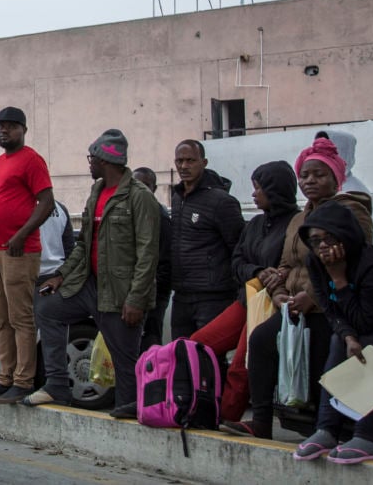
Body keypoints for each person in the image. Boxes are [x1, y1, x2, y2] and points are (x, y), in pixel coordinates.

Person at [246, 136, 373, 439]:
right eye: (305, 175)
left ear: (336, 178)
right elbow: (288, 262)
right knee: (261, 340)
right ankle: (261, 421)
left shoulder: (352, 211)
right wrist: (278, 290)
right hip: (294, 304)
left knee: (320, 358)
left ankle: (326, 428)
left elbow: (357, 262)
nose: (310, 181)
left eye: (319, 174)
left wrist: (312, 298)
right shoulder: (299, 219)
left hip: (332, 307)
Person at [31, 129, 158, 417]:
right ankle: (57, 385)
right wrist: (61, 276)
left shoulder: (139, 197)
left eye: (92, 158)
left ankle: (130, 411)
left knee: (124, 358)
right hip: (89, 286)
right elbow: (83, 244)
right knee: (47, 307)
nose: (89, 163)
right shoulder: (96, 192)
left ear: (105, 159)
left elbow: (148, 254)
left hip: (120, 292)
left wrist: (136, 299)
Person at [294, 201, 373, 464]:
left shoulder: (372, 263)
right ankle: (326, 429)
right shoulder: (316, 262)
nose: (322, 246)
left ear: (345, 234)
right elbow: (329, 308)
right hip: (359, 329)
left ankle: (365, 435)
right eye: (315, 241)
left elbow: (367, 321)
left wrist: (339, 279)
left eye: (329, 238)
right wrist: (348, 335)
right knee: (339, 339)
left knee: (369, 347)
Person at [192, 162, 298, 435]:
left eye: (258, 189)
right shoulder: (255, 224)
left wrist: (273, 277)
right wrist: (258, 272)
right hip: (246, 297)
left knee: (242, 363)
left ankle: (225, 417)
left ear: (274, 191)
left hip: (269, 304)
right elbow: (237, 261)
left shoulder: (294, 225)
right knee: (198, 344)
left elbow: (291, 265)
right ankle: (199, 404)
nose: (254, 194)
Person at [0, 107, 55, 403]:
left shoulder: (32, 160)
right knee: (1, 319)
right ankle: (5, 378)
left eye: (10, 126)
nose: (4, 131)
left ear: (23, 129)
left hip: (19, 251)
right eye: (0, 126)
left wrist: (21, 234)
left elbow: (46, 202)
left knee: (21, 318)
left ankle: (23, 381)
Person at [170, 139, 244, 338]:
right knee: (180, 358)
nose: (184, 166)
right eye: (179, 161)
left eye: (190, 160)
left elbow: (238, 247)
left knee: (209, 358)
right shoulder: (177, 197)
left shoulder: (221, 202)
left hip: (213, 297)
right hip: (181, 295)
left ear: (204, 162)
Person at [130, 167, 172, 349]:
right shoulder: (134, 212)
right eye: (135, 184)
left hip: (154, 294)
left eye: (145, 185)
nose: (140, 189)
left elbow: (164, 259)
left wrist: (153, 289)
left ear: (154, 188)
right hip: (137, 291)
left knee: (150, 344)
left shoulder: (159, 215)